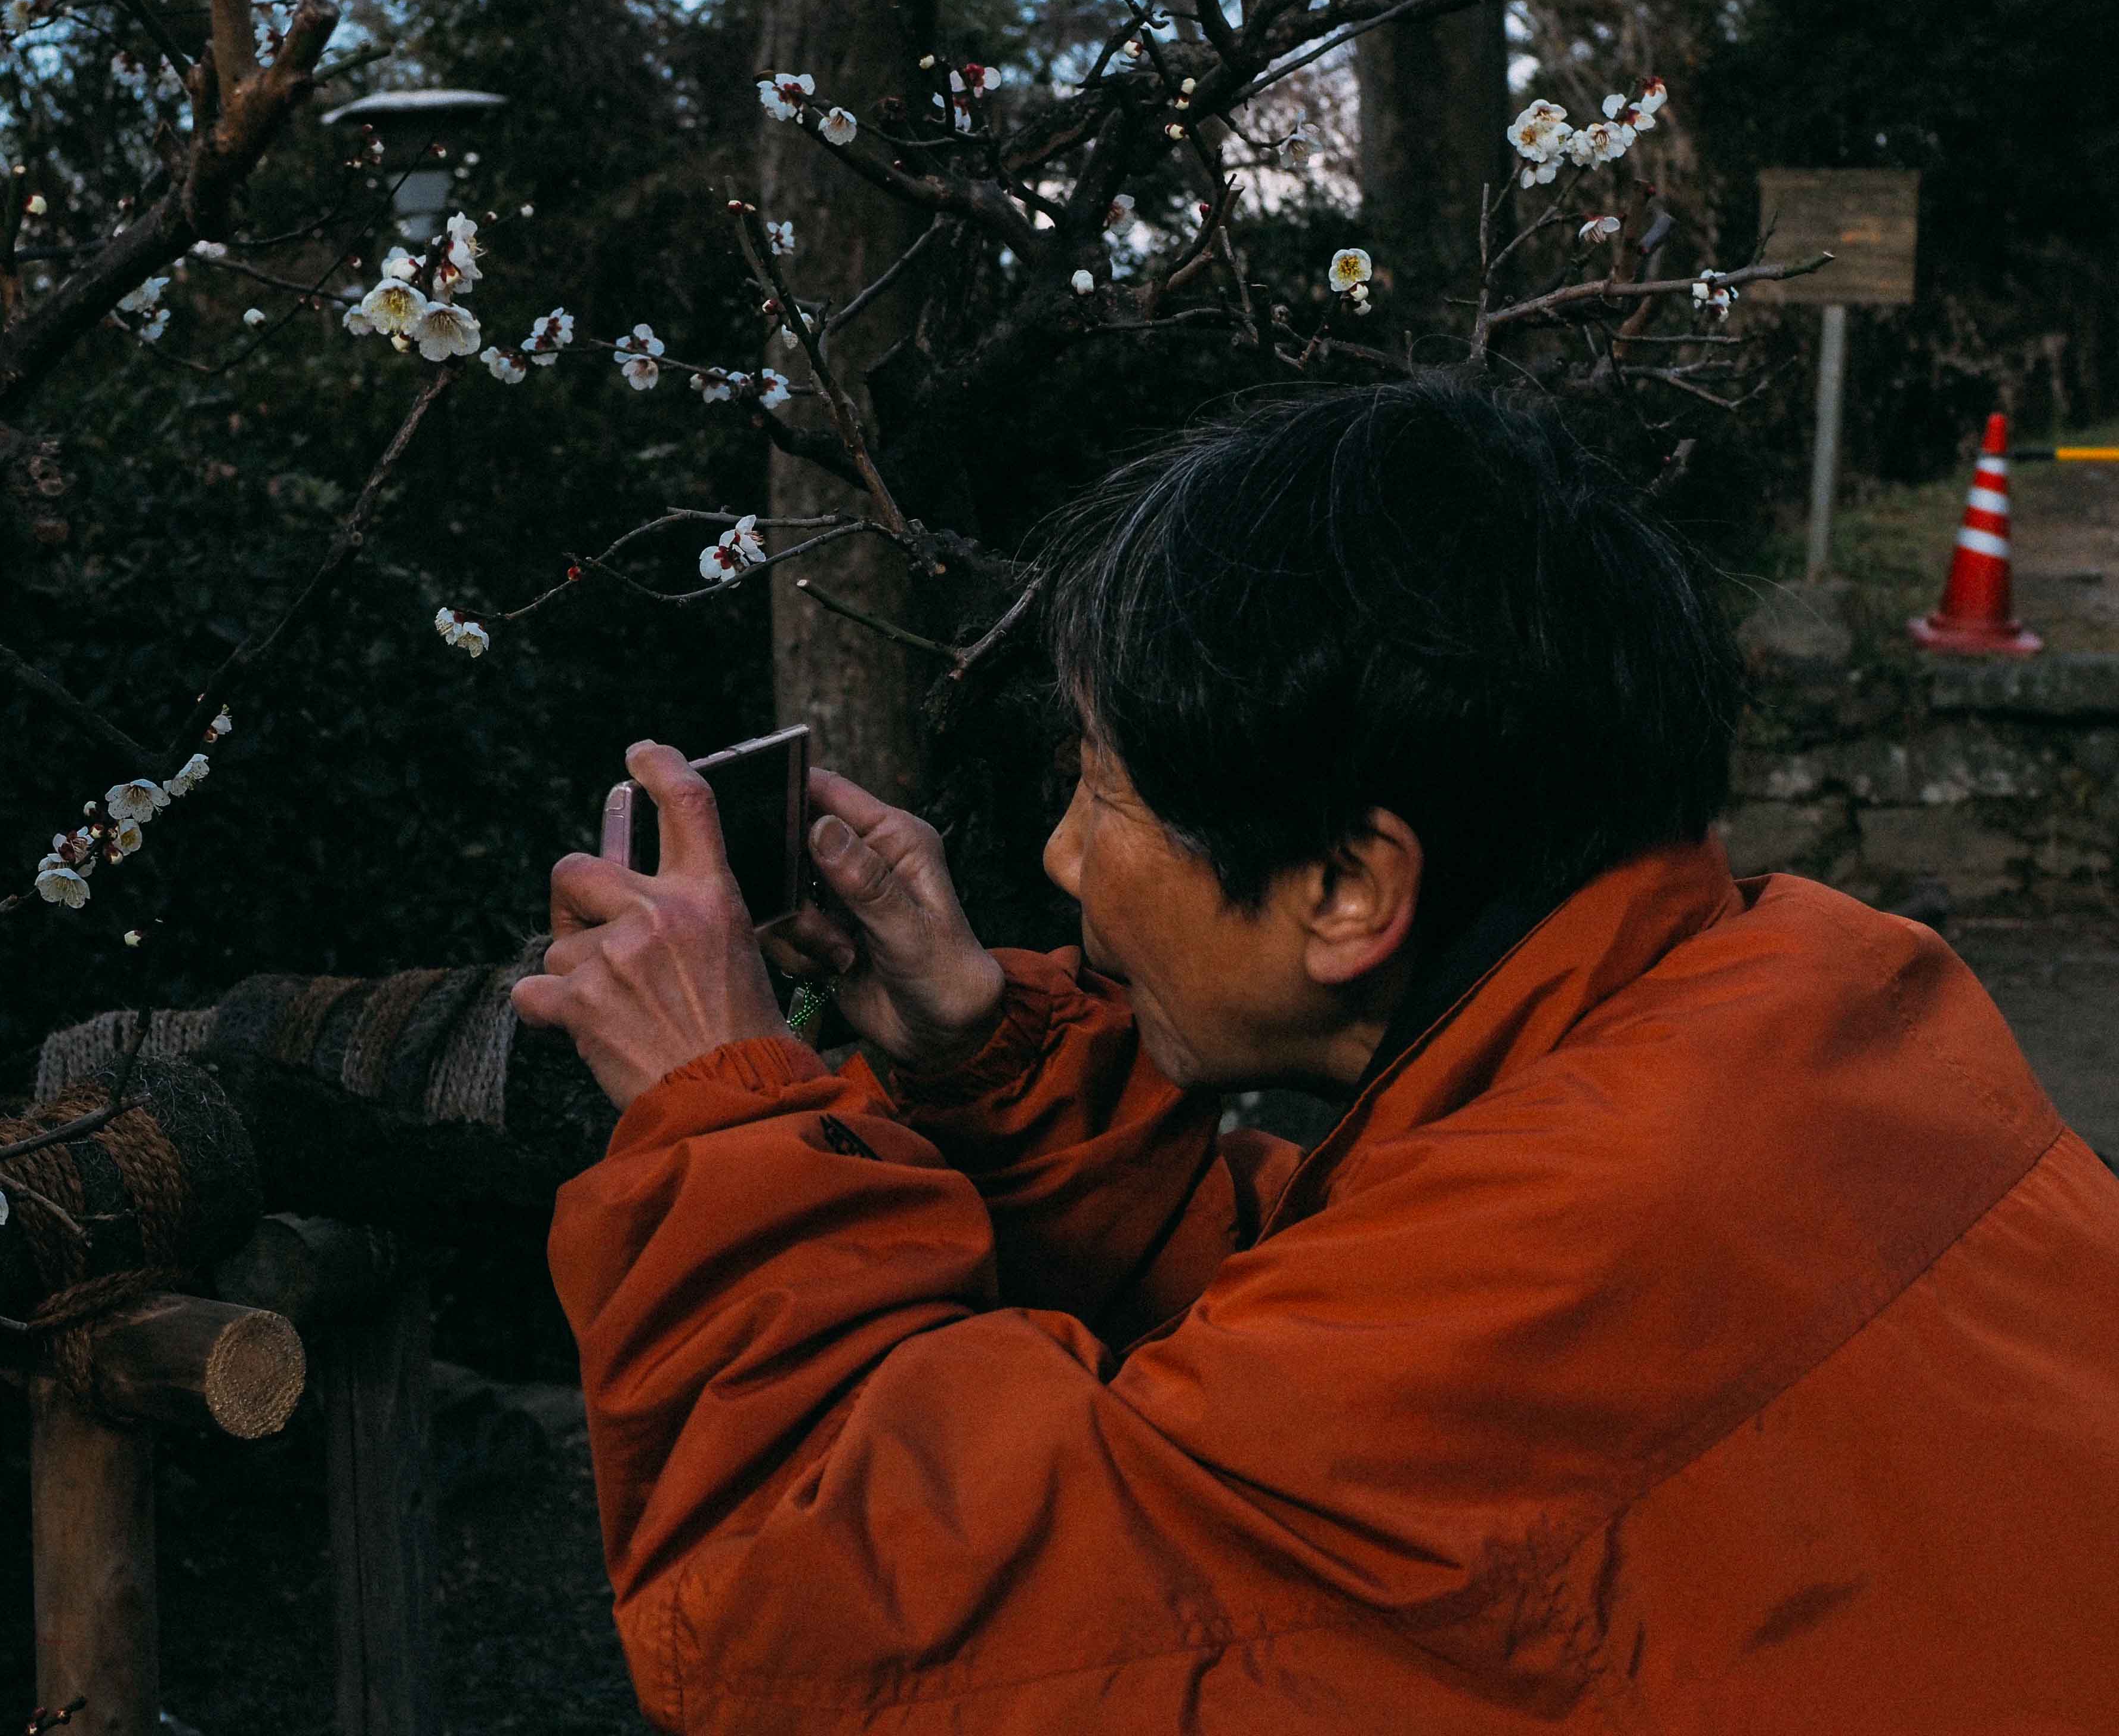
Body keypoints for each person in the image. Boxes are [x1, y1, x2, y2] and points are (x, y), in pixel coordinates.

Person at [509, 378, 2119, 1733]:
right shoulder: (1805, 1011)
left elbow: (845, 1618)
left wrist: (716, 1112)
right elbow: (1337, 1361)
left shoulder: (1603, 1231)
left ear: (1351, 887)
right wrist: (995, 1059)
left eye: (1104, 792)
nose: (1062, 862)